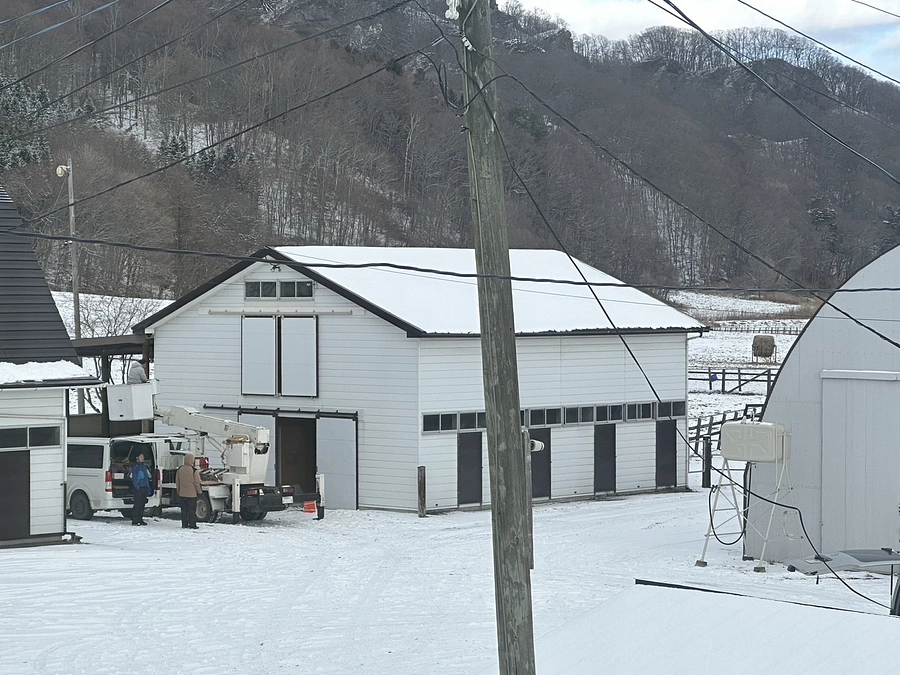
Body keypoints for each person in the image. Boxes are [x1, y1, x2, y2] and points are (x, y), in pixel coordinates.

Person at [175, 453, 203, 529]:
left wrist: (179, 491)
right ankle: (192, 524)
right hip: (192, 495)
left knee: (184, 510)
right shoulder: (194, 471)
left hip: (182, 494)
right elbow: (197, 483)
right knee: (191, 510)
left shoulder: (180, 469)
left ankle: (184, 524)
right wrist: (199, 492)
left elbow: (177, 481)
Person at [130, 451, 153, 526]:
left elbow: (148, 476)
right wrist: (137, 486)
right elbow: (134, 477)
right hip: (139, 488)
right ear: (137, 458)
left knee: (142, 504)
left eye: (143, 457)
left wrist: (147, 486)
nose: (142, 458)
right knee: (137, 504)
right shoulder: (135, 467)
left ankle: (140, 518)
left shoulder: (144, 466)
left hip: (144, 487)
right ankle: (135, 519)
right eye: (141, 457)